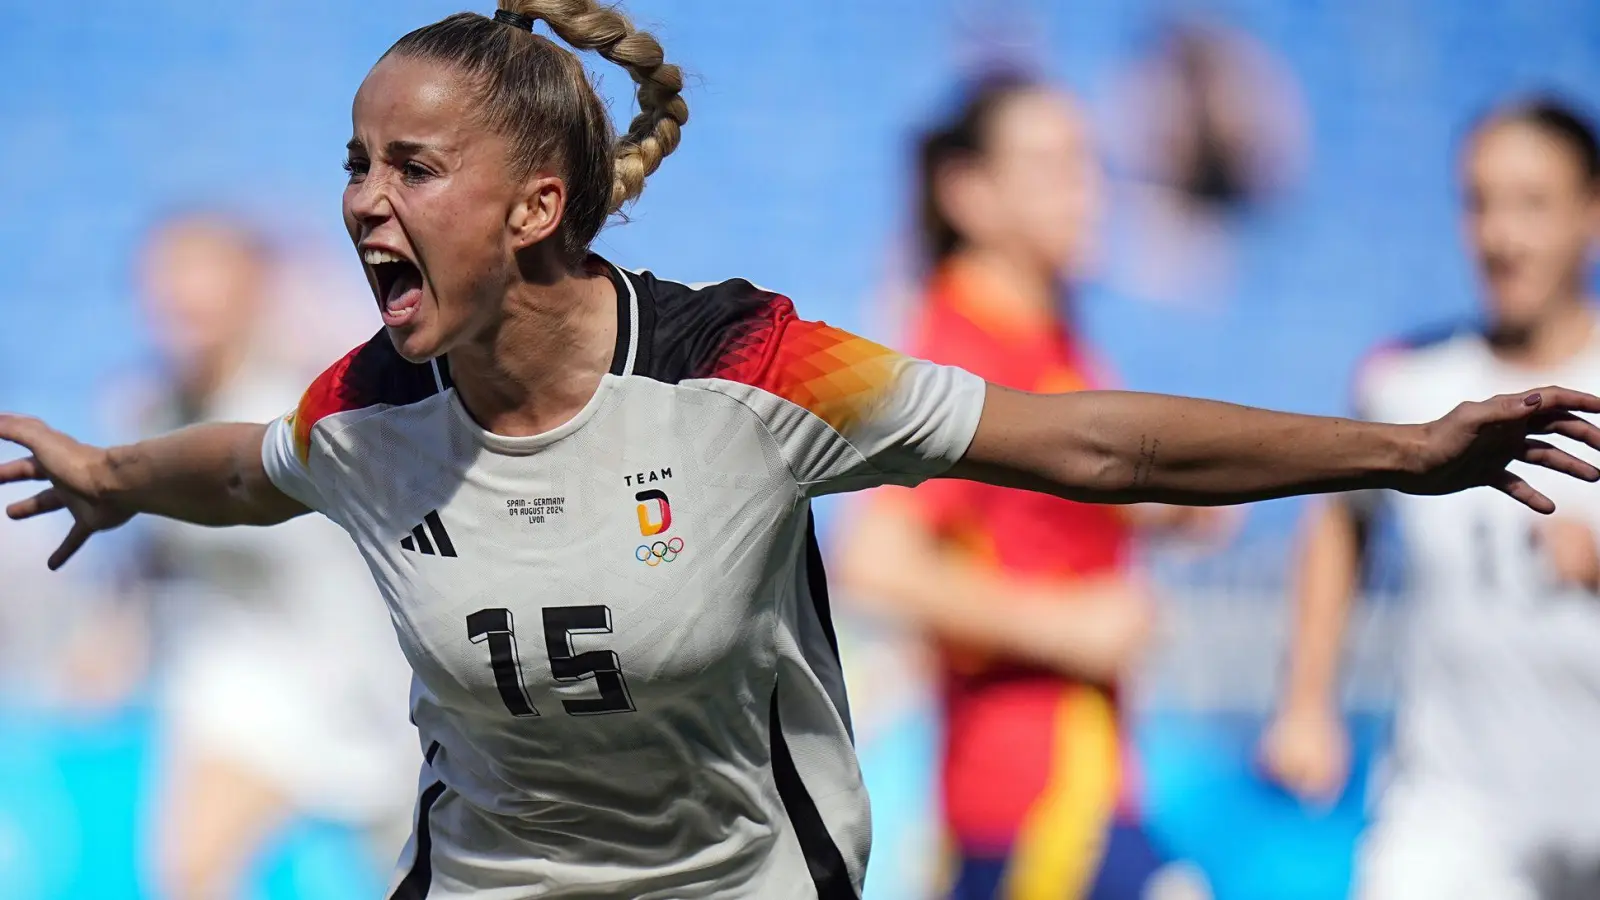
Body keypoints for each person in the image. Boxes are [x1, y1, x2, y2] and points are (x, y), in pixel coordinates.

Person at [2, 6, 1598, 897]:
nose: (360, 203)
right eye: (352, 165)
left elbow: (1089, 448)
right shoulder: (364, 406)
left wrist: (1397, 454)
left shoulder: (748, 367)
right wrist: (107, 476)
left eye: (409, 167)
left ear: (536, 206)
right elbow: (238, 465)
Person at [835, 74, 1216, 900]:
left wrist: (1160, 511)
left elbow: (1018, 518)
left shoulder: (1047, 336)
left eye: (1090, 164)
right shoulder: (959, 350)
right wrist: (1066, 626)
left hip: (1077, 779)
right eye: (1053, 167)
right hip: (1033, 792)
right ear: (968, 192)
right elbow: (876, 561)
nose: (1088, 192)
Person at [1259, 98, 1600, 900]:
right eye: (1480, 203)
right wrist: (1306, 699)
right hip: (1453, 810)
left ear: (1591, 210)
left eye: (1532, 204)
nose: (1501, 237)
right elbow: (1341, 520)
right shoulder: (1409, 383)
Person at [126, 215, 418, 899]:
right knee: (190, 872)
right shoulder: (149, 416)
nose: (182, 301)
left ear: (252, 289)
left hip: (359, 679)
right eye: (168, 282)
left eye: (203, 279)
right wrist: (118, 629)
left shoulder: (308, 401)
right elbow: (159, 554)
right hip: (236, 685)